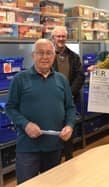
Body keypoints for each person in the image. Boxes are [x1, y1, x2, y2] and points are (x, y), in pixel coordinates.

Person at [5, 39, 76, 184]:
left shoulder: (61, 80)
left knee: (51, 183)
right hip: (28, 147)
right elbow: (10, 107)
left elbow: (70, 107)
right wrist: (25, 124)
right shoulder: (20, 79)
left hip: (54, 146)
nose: (45, 57)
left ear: (54, 56)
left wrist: (69, 125)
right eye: (41, 53)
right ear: (33, 56)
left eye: (49, 53)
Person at [51, 26, 85, 160]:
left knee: (69, 128)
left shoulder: (74, 56)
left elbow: (80, 76)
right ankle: (55, 159)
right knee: (54, 130)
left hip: (70, 98)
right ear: (53, 38)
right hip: (52, 100)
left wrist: (70, 93)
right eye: (58, 36)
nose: (61, 39)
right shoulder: (47, 55)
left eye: (63, 36)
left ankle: (69, 157)